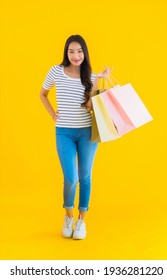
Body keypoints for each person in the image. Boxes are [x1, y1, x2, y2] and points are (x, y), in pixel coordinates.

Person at [40, 34, 111, 239]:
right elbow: (42, 94)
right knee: (71, 179)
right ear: (66, 52)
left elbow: (90, 107)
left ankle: (81, 221)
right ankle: (68, 216)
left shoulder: (90, 76)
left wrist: (98, 79)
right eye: (71, 51)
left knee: (85, 177)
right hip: (64, 132)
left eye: (80, 51)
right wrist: (53, 114)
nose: (76, 55)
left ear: (85, 53)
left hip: (87, 132)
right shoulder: (56, 71)